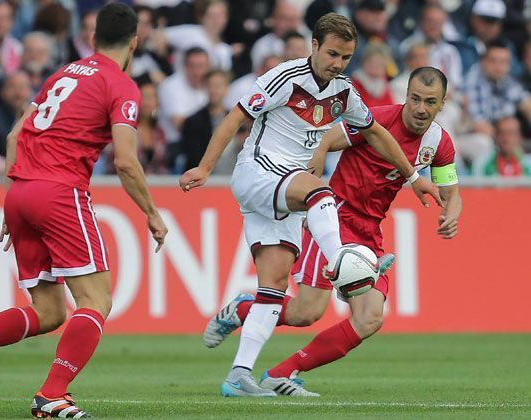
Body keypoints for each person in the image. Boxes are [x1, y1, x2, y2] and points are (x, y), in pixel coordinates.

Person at [179, 13, 441, 398]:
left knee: (273, 289)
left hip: (283, 192)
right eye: (332, 53)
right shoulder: (285, 77)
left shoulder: (344, 92)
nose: (337, 63)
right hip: (259, 172)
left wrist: (415, 178)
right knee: (321, 193)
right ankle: (343, 263)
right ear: (314, 46)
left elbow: (376, 133)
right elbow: (236, 115)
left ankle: (239, 374)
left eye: (346, 57)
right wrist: (204, 167)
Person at [0, 4, 168, 418]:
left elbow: (14, 133)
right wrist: (152, 212)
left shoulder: (62, 74)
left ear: (94, 39)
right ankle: (51, 395)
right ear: (135, 41)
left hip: (21, 190)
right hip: (60, 192)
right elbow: (127, 161)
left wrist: (14, 197)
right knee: (96, 301)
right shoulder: (121, 85)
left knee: (49, 312)